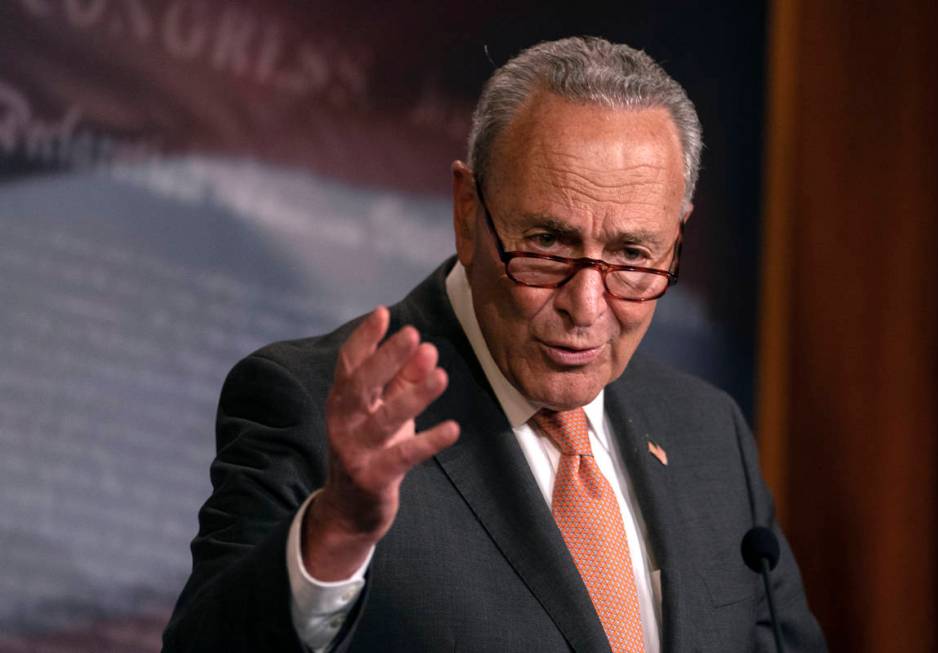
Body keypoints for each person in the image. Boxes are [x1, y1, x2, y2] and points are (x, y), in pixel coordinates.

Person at [163, 37, 825, 652]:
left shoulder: (708, 432)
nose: (586, 306)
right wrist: (336, 532)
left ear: (676, 237)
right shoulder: (313, 407)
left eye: (631, 255)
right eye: (547, 245)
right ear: (468, 215)